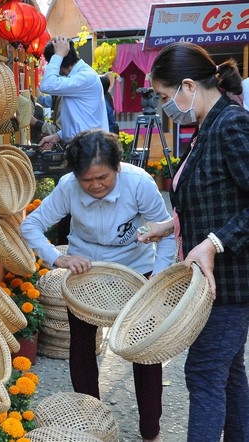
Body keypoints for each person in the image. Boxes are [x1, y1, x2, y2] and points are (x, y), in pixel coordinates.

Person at [21, 129, 175, 442]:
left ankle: (151, 432)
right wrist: (56, 257)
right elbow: (31, 225)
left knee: (145, 348)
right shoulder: (67, 187)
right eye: (86, 180)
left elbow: (168, 233)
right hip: (87, 271)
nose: (95, 186)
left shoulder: (140, 182)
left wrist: (157, 278)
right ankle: (89, 424)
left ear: (117, 168)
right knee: (81, 344)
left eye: (102, 177)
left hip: (136, 268)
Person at [137, 41, 249, 441]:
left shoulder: (231, 123)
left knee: (203, 372)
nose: (167, 106)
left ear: (188, 85)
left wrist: (214, 243)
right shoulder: (206, 126)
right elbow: (216, 196)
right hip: (210, 280)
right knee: (228, 372)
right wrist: (168, 226)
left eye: (167, 97)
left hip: (231, 280)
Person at [38, 36, 108, 149]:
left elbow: (47, 85)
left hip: (89, 149)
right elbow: (81, 117)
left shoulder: (85, 76)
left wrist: (58, 55)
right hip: (86, 146)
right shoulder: (80, 76)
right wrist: (58, 136)